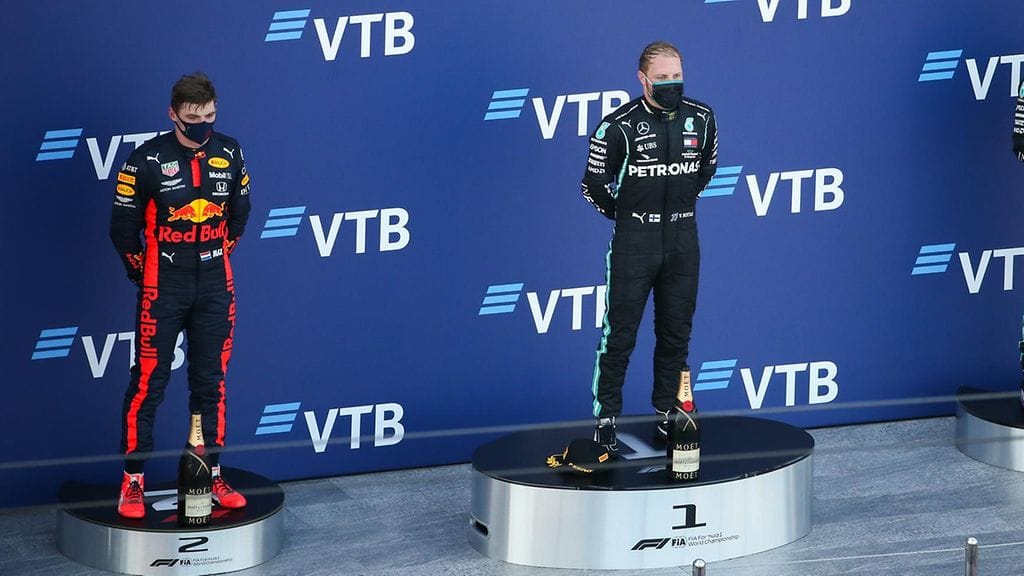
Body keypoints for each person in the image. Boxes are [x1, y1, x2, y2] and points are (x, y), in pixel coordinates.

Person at [110, 72, 251, 518]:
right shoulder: (145, 160)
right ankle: (133, 482)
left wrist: (213, 255)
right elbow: (122, 230)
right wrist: (145, 273)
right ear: (173, 114)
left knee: (211, 383)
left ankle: (210, 473)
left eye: (210, 116)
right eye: (194, 118)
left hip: (215, 286)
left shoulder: (230, 151)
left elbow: (240, 215)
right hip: (163, 288)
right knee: (149, 383)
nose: (203, 125)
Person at [581, 41, 717, 453]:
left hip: (683, 239)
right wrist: (628, 217)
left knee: (676, 333)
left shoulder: (702, 118)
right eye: (662, 77)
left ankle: (667, 414)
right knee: (619, 336)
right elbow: (593, 185)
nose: (671, 83)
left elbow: (706, 171)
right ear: (642, 79)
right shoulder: (618, 126)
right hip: (634, 244)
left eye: (677, 76)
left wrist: (676, 210)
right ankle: (606, 420)